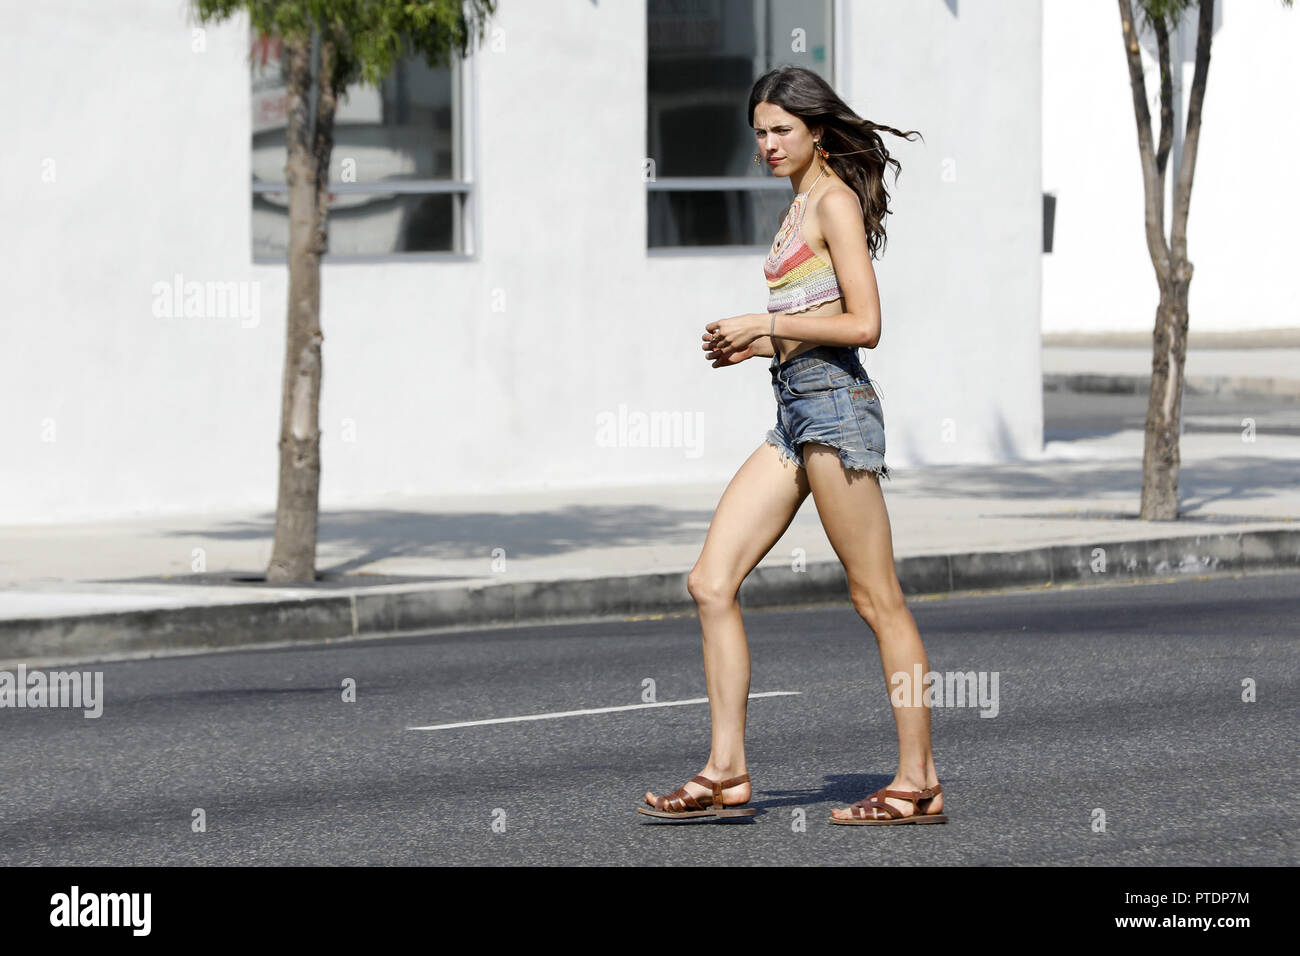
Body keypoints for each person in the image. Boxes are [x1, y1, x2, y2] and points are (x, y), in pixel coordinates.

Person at [638, 65, 946, 826]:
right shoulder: (799, 202)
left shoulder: (833, 202)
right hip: (793, 411)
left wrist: (768, 325)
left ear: (814, 128)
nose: (768, 145)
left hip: (836, 412)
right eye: (759, 135)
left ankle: (918, 781)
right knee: (711, 582)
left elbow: (865, 324)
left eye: (781, 130)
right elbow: (815, 313)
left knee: (878, 599)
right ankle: (727, 771)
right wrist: (757, 346)